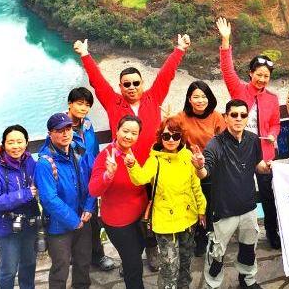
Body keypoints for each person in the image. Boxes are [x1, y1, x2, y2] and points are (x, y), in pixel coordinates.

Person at [74, 34, 191, 271]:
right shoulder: (112, 101)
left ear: (142, 84)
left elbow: (166, 76)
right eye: (126, 84)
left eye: (136, 83)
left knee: (153, 207)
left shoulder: (153, 96)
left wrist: (179, 50)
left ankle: (152, 248)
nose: (132, 87)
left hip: (151, 168)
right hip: (124, 171)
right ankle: (132, 252)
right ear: (120, 87)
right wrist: (85, 55)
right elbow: (97, 82)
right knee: (131, 209)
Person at [216, 17, 281, 250]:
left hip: (263, 153)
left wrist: (273, 134)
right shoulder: (239, 89)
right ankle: (233, 232)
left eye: (266, 76)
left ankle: (272, 233)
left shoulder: (273, 99)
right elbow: (227, 69)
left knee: (268, 195)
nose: (262, 79)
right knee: (236, 191)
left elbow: (275, 124)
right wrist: (226, 40)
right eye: (259, 74)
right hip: (237, 151)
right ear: (251, 73)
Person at [193, 99, 273, 289]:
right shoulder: (216, 144)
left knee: (249, 248)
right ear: (225, 117)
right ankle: (212, 285)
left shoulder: (253, 139)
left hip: (248, 207)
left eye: (243, 115)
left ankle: (248, 280)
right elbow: (205, 172)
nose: (238, 119)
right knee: (216, 253)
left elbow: (258, 166)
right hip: (224, 210)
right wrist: (199, 167)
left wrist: (267, 167)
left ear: (247, 118)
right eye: (234, 115)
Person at [126, 119, 207, 289]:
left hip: (188, 218)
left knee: (185, 262)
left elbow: (196, 186)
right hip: (165, 222)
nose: (171, 139)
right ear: (160, 137)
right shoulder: (155, 160)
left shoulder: (187, 156)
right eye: (166, 135)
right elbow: (140, 178)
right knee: (170, 266)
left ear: (181, 137)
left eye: (175, 135)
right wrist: (132, 165)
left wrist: (201, 209)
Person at [35, 113, 97, 289]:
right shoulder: (45, 163)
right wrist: (73, 220)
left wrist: (89, 207)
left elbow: (94, 179)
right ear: (50, 133)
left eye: (68, 129)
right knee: (60, 268)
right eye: (59, 130)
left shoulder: (80, 151)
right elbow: (48, 199)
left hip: (83, 219)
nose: (65, 134)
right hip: (59, 225)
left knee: (83, 262)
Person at [89, 116, 150, 289]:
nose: (129, 136)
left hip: (140, 215)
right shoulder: (106, 156)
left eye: (134, 133)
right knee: (134, 265)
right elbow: (94, 190)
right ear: (117, 130)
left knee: (138, 248)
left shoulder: (138, 151)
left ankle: (127, 263)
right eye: (125, 131)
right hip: (118, 222)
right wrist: (108, 175)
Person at [0, 125, 41, 289]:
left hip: (29, 223)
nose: (16, 146)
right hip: (6, 227)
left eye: (19, 141)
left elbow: (42, 180)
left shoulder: (29, 161)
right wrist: (26, 194)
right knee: (8, 269)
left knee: (29, 264)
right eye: (10, 142)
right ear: (3, 144)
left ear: (26, 142)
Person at [67, 87, 117, 272]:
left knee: (93, 220)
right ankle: (76, 256)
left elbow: (94, 151)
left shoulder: (87, 124)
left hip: (90, 179)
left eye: (87, 105)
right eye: (80, 104)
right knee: (73, 219)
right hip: (70, 182)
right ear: (70, 104)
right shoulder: (61, 127)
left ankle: (97, 255)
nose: (83, 108)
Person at [173, 80, 226, 256]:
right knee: (194, 203)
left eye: (204, 96)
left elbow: (224, 142)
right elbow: (168, 133)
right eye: (196, 96)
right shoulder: (181, 118)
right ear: (189, 99)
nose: (200, 100)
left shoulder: (216, 117)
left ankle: (210, 237)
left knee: (210, 203)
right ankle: (197, 239)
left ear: (209, 98)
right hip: (190, 169)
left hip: (212, 168)